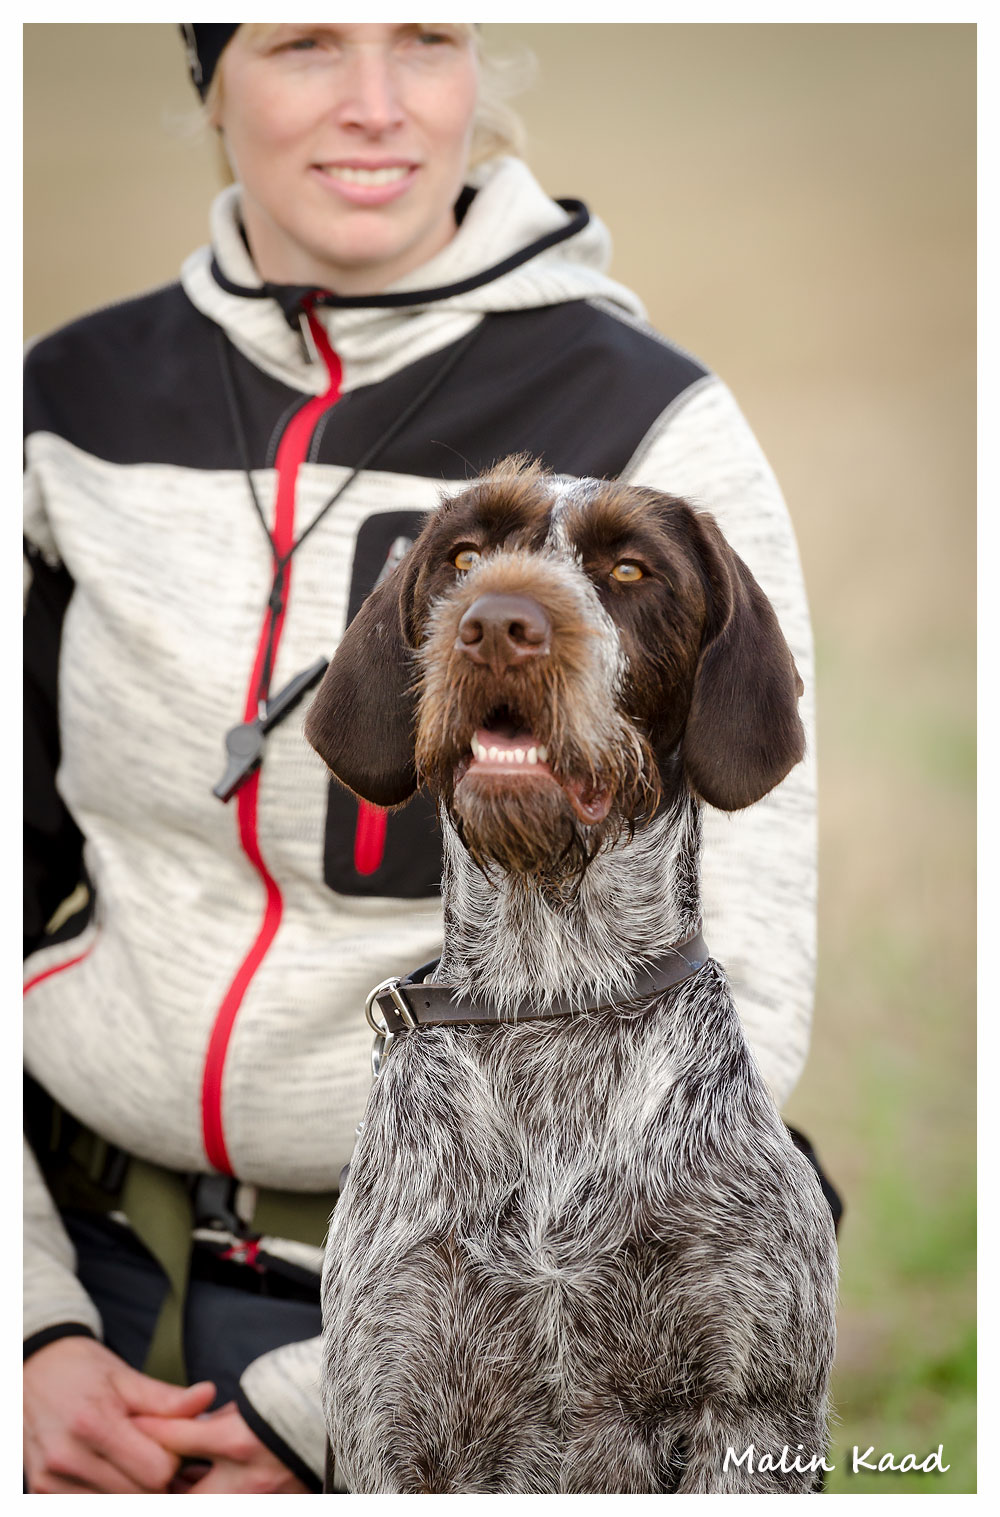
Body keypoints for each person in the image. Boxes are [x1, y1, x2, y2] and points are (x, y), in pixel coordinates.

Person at [23, 22, 823, 1494]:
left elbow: (746, 998)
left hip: (477, 1308)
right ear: (209, 78)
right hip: (76, 1273)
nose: (374, 105)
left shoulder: (657, 419)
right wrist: (27, 1324)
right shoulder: (63, 410)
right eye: (305, 42)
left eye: (427, 39)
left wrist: (333, 1396)